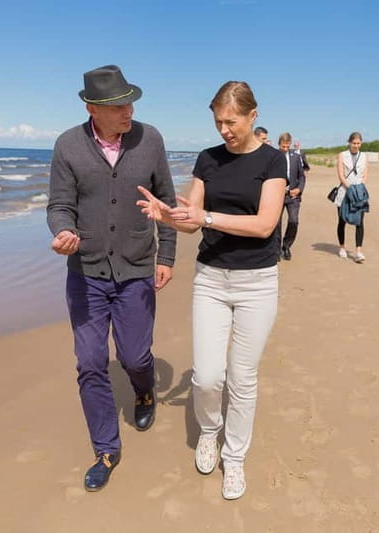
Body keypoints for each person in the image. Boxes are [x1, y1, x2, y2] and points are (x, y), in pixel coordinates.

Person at [137, 81, 286, 500]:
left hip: (257, 283)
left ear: (252, 117)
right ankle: (209, 431)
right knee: (205, 377)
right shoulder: (208, 159)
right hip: (211, 280)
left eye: (231, 121)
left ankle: (234, 458)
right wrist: (167, 216)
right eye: (218, 121)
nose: (224, 129)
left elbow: (264, 225)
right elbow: (191, 220)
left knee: (241, 379)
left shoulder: (274, 162)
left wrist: (206, 217)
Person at [46, 65, 177, 492]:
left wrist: (167, 255)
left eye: (130, 102)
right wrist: (62, 231)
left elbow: (167, 202)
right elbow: (59, 205)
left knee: (137, 358)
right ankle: (105, 448)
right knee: (89, 363)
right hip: (85, 273)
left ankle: (143, 391)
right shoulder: (67, 145)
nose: (129, 111)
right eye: (119, 105)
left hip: (137, 266)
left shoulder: (150, 138)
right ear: (92, 109)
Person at [333, 131, 369, 263]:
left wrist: (359, 188)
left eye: (358, 143)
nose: (356, 145)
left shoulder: (364, 156)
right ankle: (342, 247)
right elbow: (341, 175)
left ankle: (359, 251)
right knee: (342, 220)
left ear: (361, 143)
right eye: (354, 143)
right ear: (349, 142)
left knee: (359, 222)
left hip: (359, 192)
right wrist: (349, 187)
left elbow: (365, 175)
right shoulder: (342, 155)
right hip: (344, 191)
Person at [277, 132, 307, 260]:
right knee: (276, 223)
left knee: (293, 221)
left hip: (293, 196)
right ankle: (276, 249)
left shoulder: (295, 157)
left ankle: (286, 246)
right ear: (279, 144)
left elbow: (302, 176)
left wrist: (299, 189)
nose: (285, 149)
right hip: (277, 196)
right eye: (283, 146)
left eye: (287, 147)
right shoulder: (274, 156)